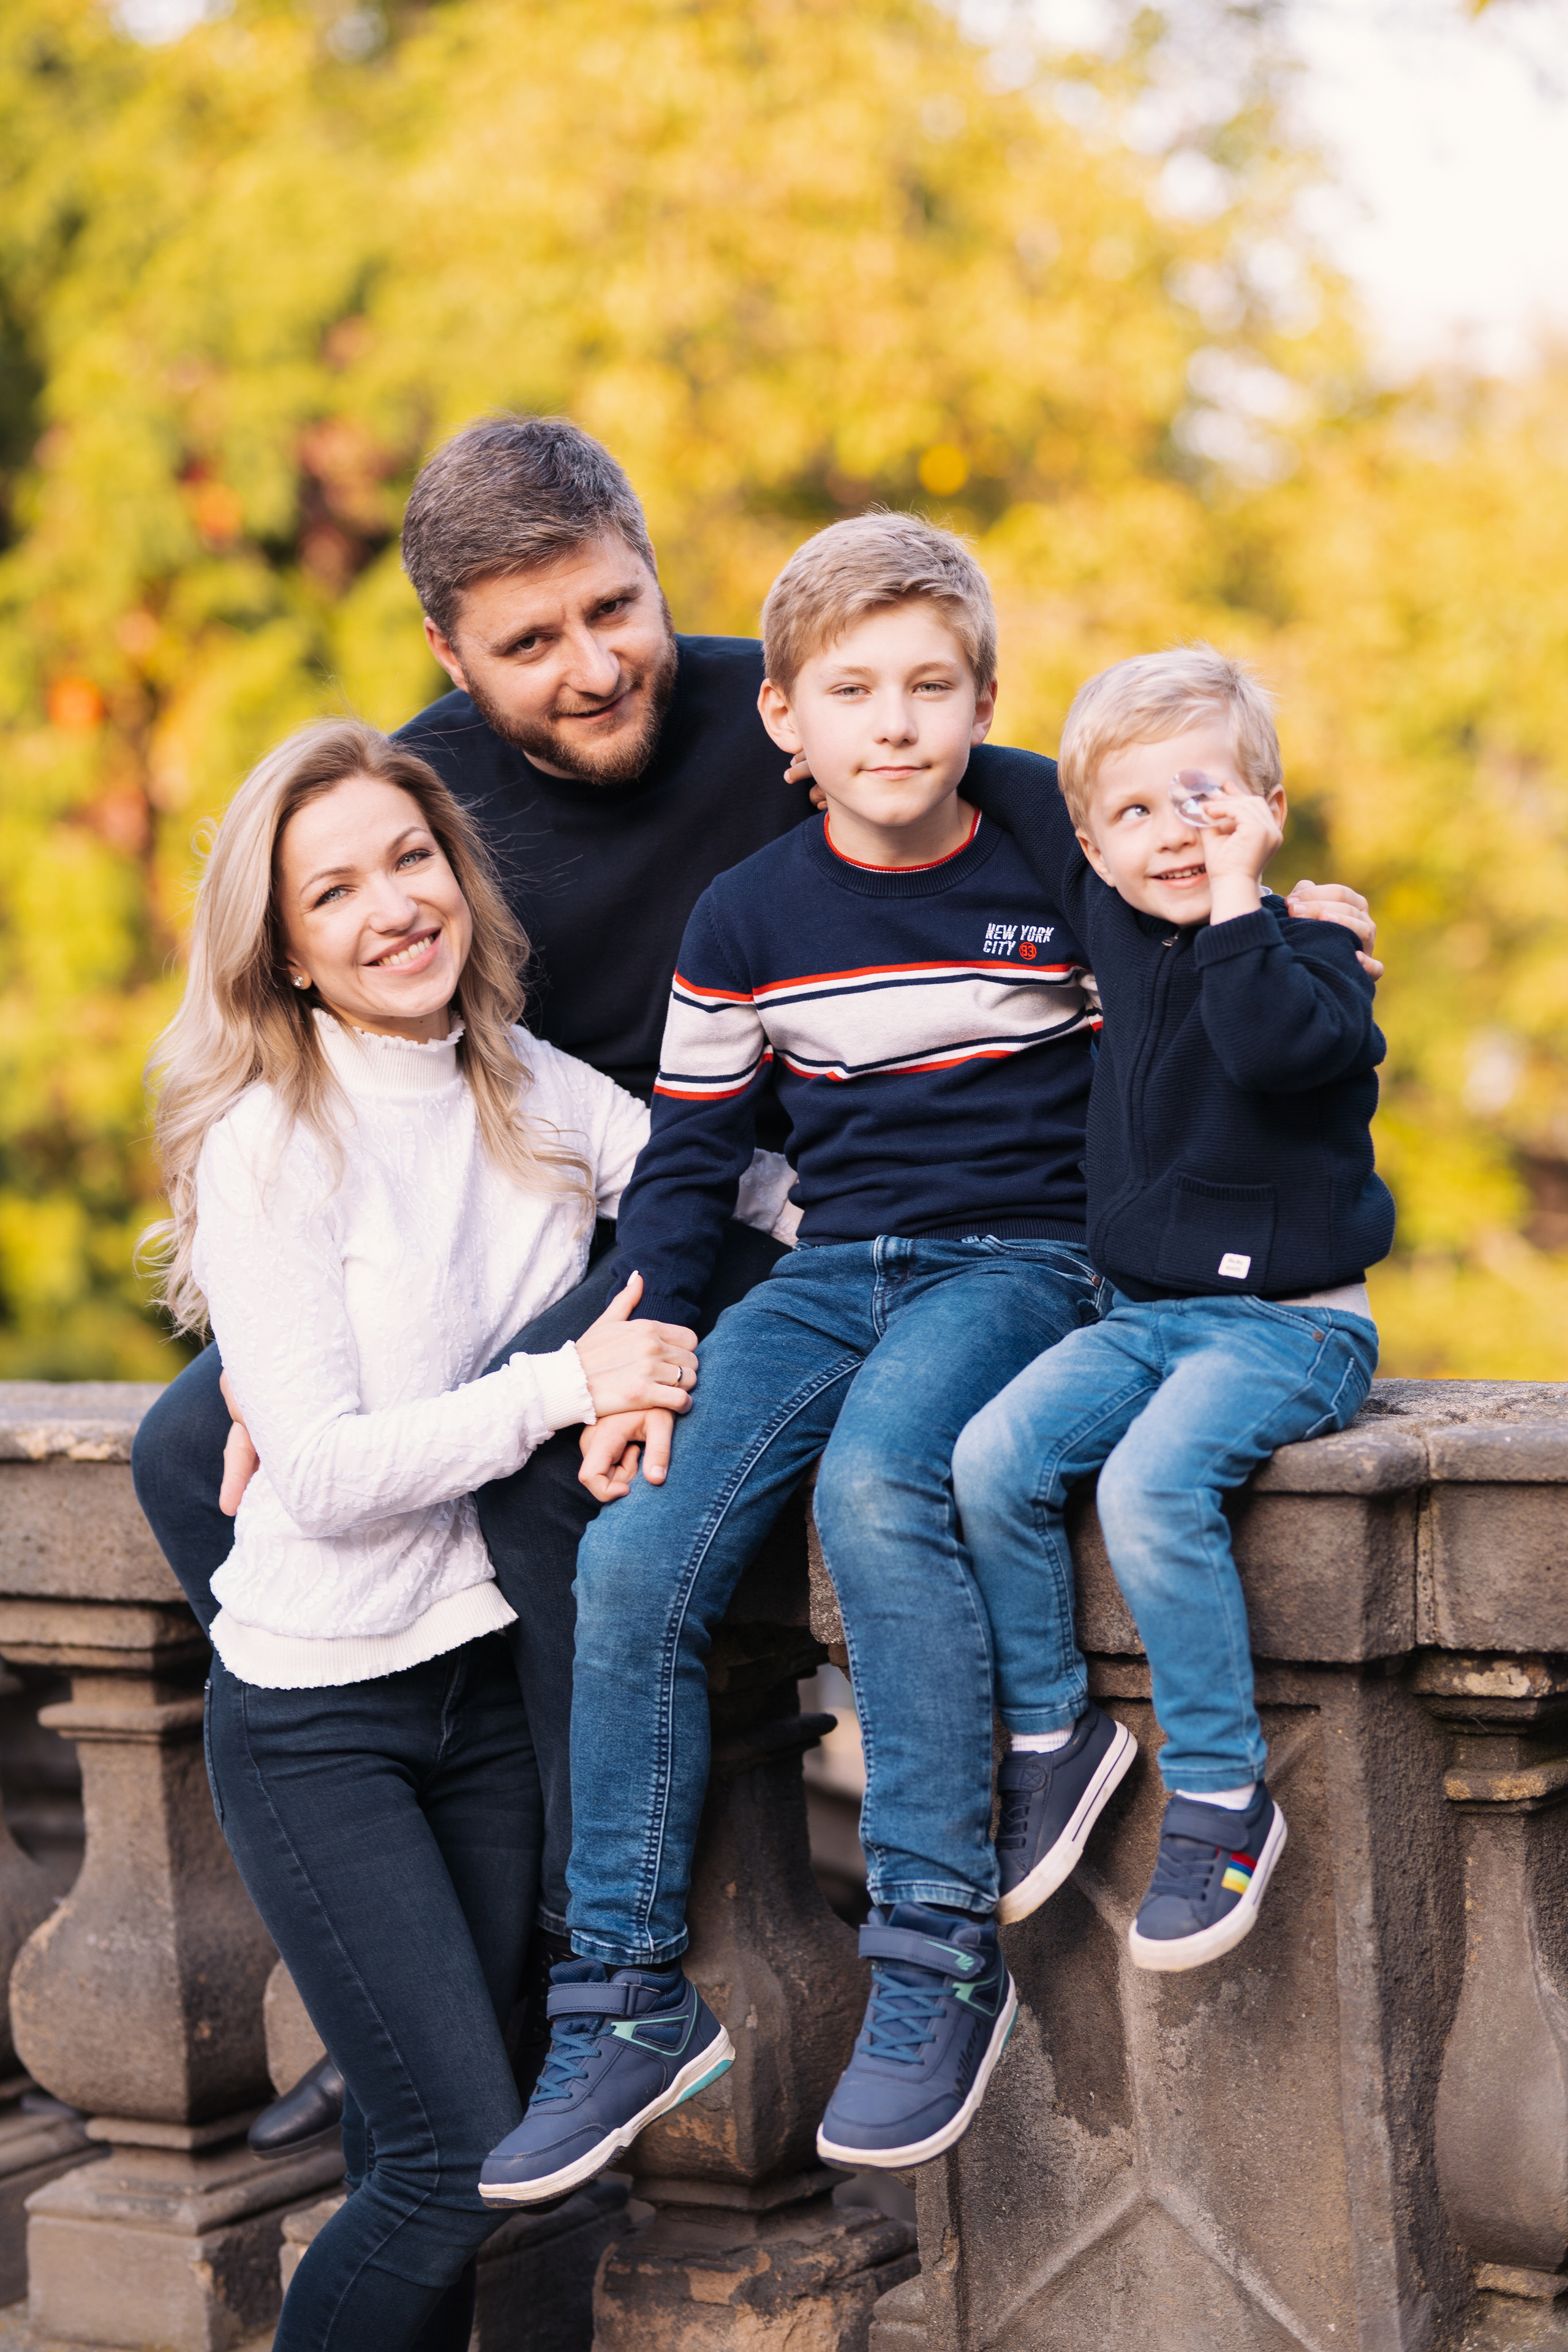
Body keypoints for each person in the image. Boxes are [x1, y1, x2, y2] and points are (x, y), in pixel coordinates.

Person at [129, 413, 1380, 2150]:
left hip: (834, 1219)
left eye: (613, 609)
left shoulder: (831, 706)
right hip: (608, 1209)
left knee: (627, 1501)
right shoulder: (422, 797)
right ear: (450, 654)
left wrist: (1287, 933)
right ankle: (432, 1967)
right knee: (192, 1454)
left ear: (655, 570)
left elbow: (1138, 867)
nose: (591, 665)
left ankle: (656, 1951)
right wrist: (271, 1355)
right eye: (531, 644)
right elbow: (317, 1037)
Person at [477, 513, 1143, 2206]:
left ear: (987, 700)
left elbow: (1202, 1025)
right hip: (831, 1270)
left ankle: (932, 1953)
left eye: (933, 684)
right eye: (852, 688)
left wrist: (1289, 937)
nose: (896, 720)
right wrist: (651, 1341)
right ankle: (618, 1993)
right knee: (633, 1552)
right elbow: (690, 1169)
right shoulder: (747, 914)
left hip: (1023, 1262)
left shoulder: (1054, 866)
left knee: (878, 1483)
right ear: (784, 720)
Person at [148, 716, 715, 2351]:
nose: (392, 904)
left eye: (411, 859)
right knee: (447, 2164)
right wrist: (564, 1385)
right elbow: (317, 1473)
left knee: (496, 2151)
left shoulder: (532, 1088)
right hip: (324, 1718)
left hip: (482, 1695)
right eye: (335, 891)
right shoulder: (269, 1148)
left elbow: (735, 1192)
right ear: (290, 952)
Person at [951, 646, 1390, 1972]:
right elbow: (999, 771)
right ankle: (1053, 1735)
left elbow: (1264, 1046)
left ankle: (1217, 1791)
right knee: (990, 1459)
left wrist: (1250, 898)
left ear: (1261, 806)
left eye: (1203, 803)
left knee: (1148, 1488)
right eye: (1133, 814)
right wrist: (783, 699)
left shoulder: (1307, 955)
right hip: (1139, 1317)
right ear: (1089, 845)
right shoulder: (1108, 919)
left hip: (1292, 1327)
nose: (1172, 835)